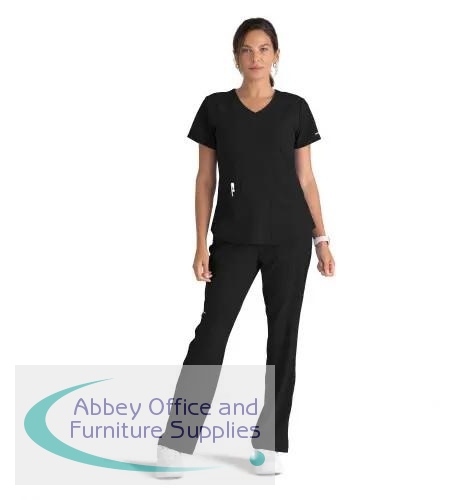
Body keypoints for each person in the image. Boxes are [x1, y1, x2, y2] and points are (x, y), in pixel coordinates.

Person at [156, 17, 335, 478]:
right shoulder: (215, 107)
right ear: (236, 57)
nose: (255, 57)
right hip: (233, 240)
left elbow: (306, 178)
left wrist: (321, 238)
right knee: (211, 334)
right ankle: (178, 439)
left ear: (276, 55)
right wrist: (200, 243)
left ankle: (269, 443)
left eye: (263, 49)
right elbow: (205, 180)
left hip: (289, 240)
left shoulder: (295, 109)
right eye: (247, 50)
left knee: (283, 339)